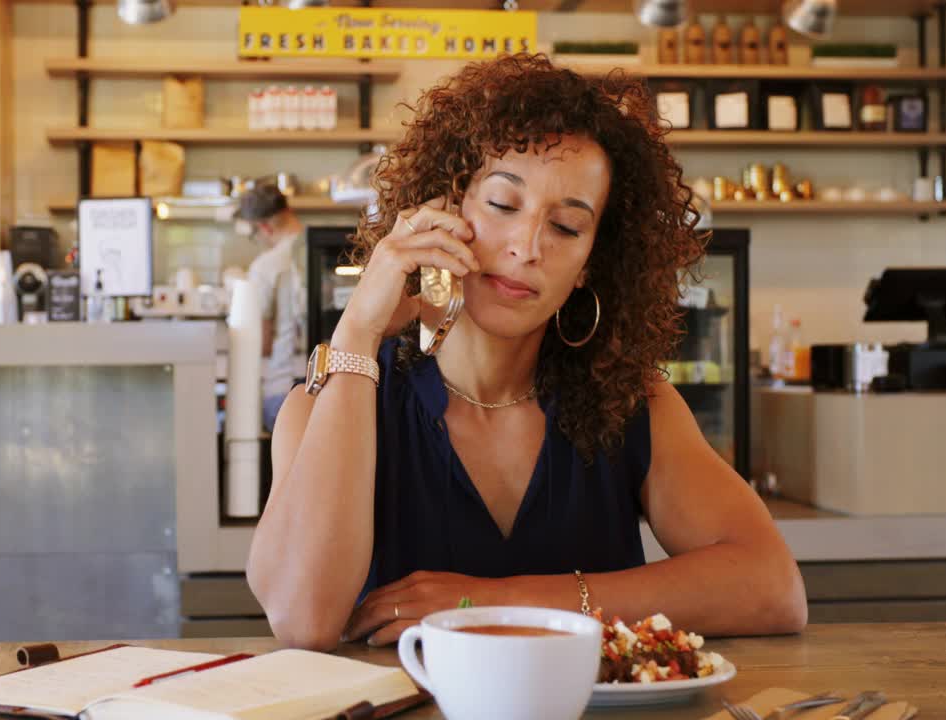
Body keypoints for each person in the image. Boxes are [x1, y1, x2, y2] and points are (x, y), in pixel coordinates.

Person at [245, 54, 807, 651]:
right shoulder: (332, 402)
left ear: (591, 263)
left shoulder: (630, 404)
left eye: (566, 227)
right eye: (502, 205)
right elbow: (302, 620)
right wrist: (358, 329)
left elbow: (773, 588)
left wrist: (491, 603)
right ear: (445, 207)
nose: (527, 247)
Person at [238, 183, 307, 432]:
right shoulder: (328, 251)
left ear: (264, 227)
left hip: (284, 391)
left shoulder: (266, 266)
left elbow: (262, 341)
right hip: (332, 386)